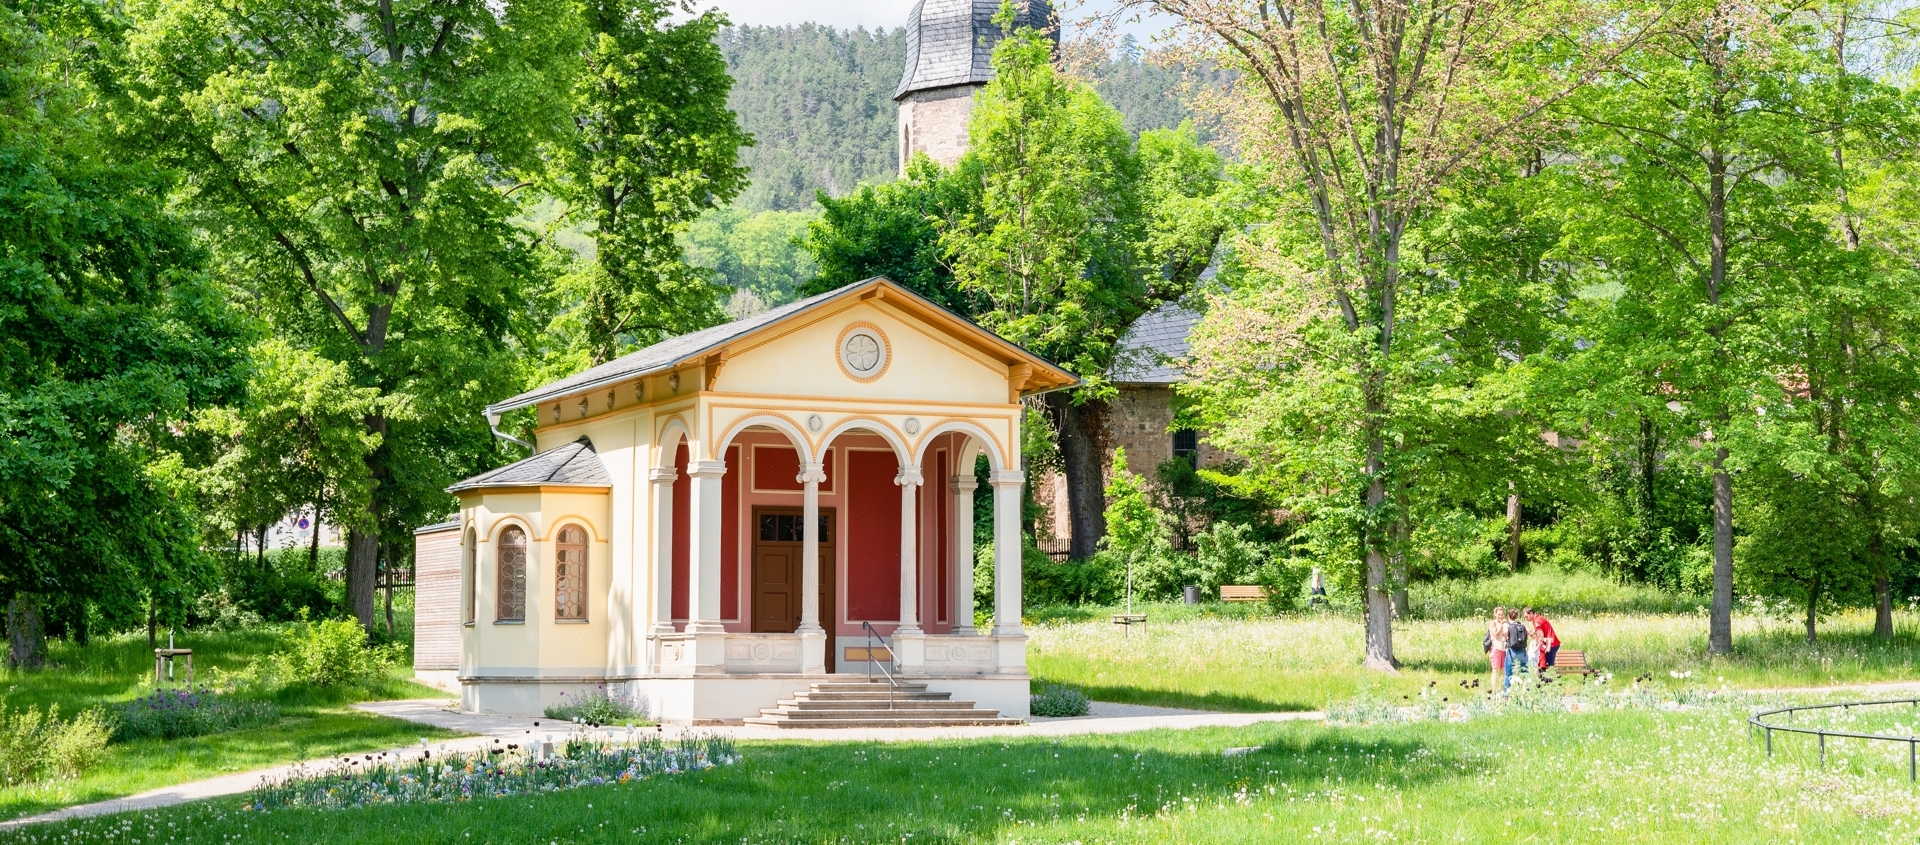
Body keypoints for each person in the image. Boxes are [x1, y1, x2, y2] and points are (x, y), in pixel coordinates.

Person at [1484, 607, 1511, 690]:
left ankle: (1503, 689)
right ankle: (1494, 690)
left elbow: (1506, 637)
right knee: (1495, 670)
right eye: (1499, 615)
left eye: (1502, 615)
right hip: (1495, 649)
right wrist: (1501, 626)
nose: (1501, 616)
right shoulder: (1493, 623)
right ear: (1495, 614)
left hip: (1503, 649)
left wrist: (1505, 628)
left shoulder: (1505, 624)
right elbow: (1495, 634)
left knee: (1504, 671)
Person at [1507, 611, 1530, 680]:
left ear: (1508, 616)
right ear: (1517, 616)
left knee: (1509, 673)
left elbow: (1505, 633)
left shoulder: (1507, 625)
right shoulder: (1522, 625)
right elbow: (1528, 633)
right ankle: (1526, 688)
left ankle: (1507, 690)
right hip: (1522, 650)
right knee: (1525, 672)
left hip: (1512, 650)